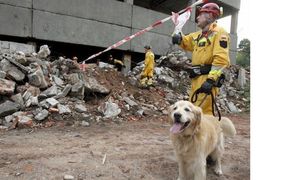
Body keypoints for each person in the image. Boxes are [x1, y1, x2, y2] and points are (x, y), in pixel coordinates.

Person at [172, 2, 230, 115]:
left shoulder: (219, 33)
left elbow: (221, 60)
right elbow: (186, 42)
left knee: (203, 112)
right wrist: (178, 34)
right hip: (196, 78)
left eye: (200, 14)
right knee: (193, 110)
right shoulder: (198, 35)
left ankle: (208, 132)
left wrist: (211, 80)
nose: (197, 17)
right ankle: (196, 133)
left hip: (207, 78)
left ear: (210, 16)